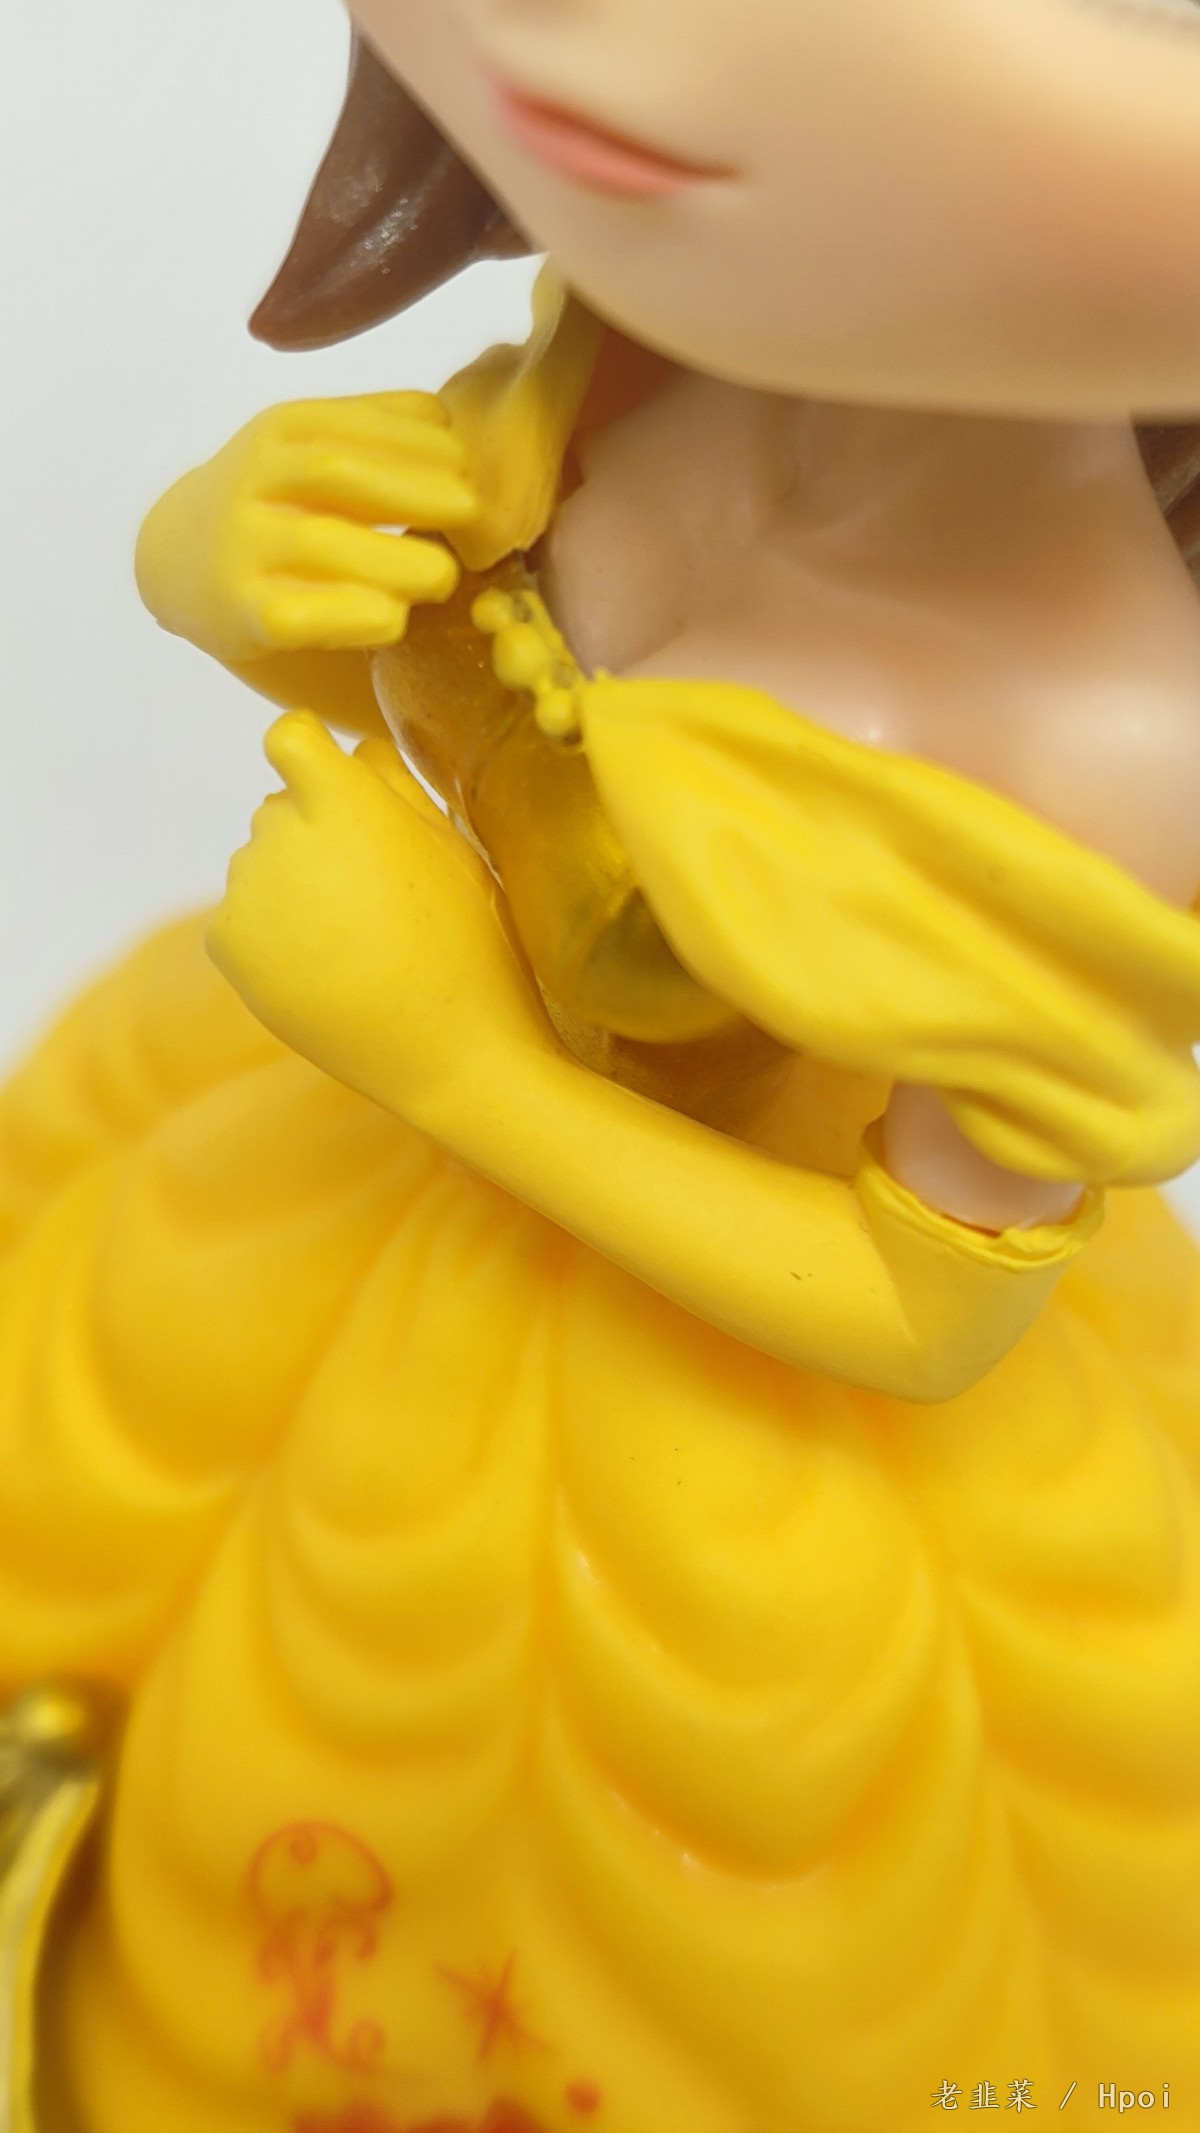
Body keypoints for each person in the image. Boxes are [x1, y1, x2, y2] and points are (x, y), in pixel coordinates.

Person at [5, 6, 1200, 2128]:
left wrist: (458, 1060)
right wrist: (222, 564)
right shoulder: (640, 366)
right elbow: (475, 727)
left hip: (740, 1476)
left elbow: (935, 1309)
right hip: (298, 1202)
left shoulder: (1103, 738)